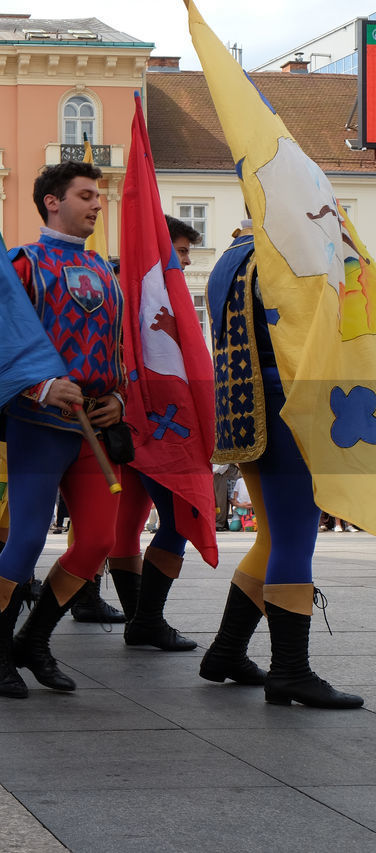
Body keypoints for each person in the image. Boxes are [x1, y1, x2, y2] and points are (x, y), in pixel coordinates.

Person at [199, 223, 361, 708]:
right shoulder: (285, 251)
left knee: (270, 538)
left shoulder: (232, 254)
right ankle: (290, 670)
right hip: (290, 404)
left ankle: (225, 652)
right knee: (294, 541)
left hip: (245, 410)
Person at [0, 162, 127, 699]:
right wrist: (40, 388)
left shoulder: (106, 272)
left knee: (96, 542)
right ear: (51, 201)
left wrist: (118, 395)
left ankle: (33, 640)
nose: (96, 204)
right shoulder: (23, 265)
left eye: (98, 196)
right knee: (26, 538)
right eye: (86, 195)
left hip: (95, 425)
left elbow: (119, 353)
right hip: (38, 422)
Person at [99, 214, 208, 651]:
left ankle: (140, 618)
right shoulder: (145, 296)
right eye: (180, 251)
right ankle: (146, 618)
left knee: (127, 526)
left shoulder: (126, 291)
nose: (184, 260)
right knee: (178, 522)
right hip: (148, 428)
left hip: (129, 427)